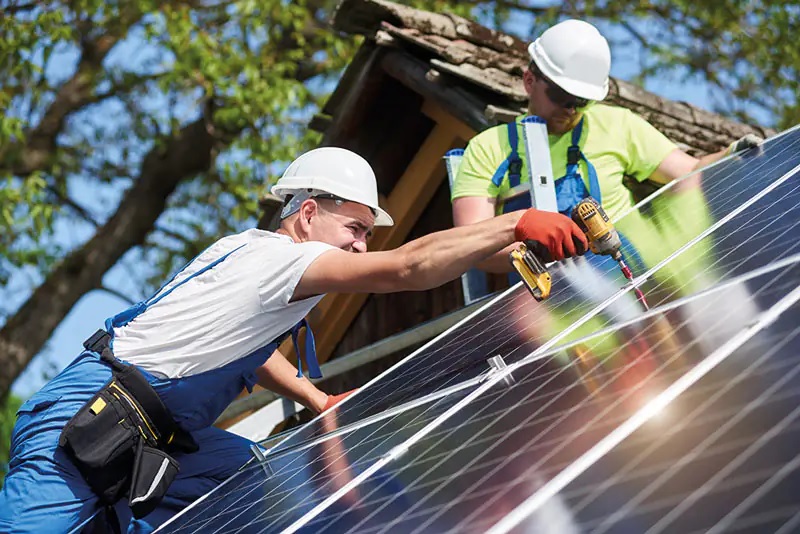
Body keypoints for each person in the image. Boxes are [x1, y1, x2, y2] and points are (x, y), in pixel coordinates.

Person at [0, 146, 588, 533]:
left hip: (152, 429)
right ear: (308, 214)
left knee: (245, 478)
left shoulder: (245, 255)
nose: (361, 245)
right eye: (356, 229)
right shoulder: (281, 261)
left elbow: (245, 350)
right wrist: (513, 223)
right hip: (87, 420)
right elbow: (407, 267)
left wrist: (314, 400)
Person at [451, 18, 762, 274]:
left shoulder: (616, 124)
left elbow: (689, 173)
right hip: (556, 305)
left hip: (643, 276)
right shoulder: (489, 148)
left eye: (582, 100)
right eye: (562, 96)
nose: (572, 108)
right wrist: (539, 250)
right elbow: (472, 243)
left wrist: (732, 155)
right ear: (530, 81)